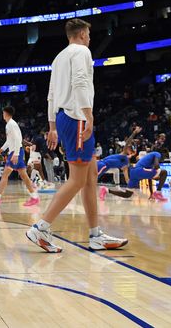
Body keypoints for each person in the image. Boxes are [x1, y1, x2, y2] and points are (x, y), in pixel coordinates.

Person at [26, 19, 127, 253]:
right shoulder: (82, 51)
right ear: (81, 34)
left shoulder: (59, 57)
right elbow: (81, 82)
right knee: (78, 179)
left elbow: (51, 94)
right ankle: (40, 227)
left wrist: (52, 126)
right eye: (89, 34)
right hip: (77, 117)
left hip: (64, 117)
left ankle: (95, 235)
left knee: (90, 177)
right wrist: (89, 116)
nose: (90, 38)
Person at [0, 106, 39, 207]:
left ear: (5, 113)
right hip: (16, 151)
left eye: (3, 113)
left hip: (15, 152)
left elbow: (19, 139)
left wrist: (16, 154)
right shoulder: (10, 124)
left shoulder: (11, 124)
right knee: (24, 176)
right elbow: (9, 141)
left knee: (5, 175)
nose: (2, 115)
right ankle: (34, 197)